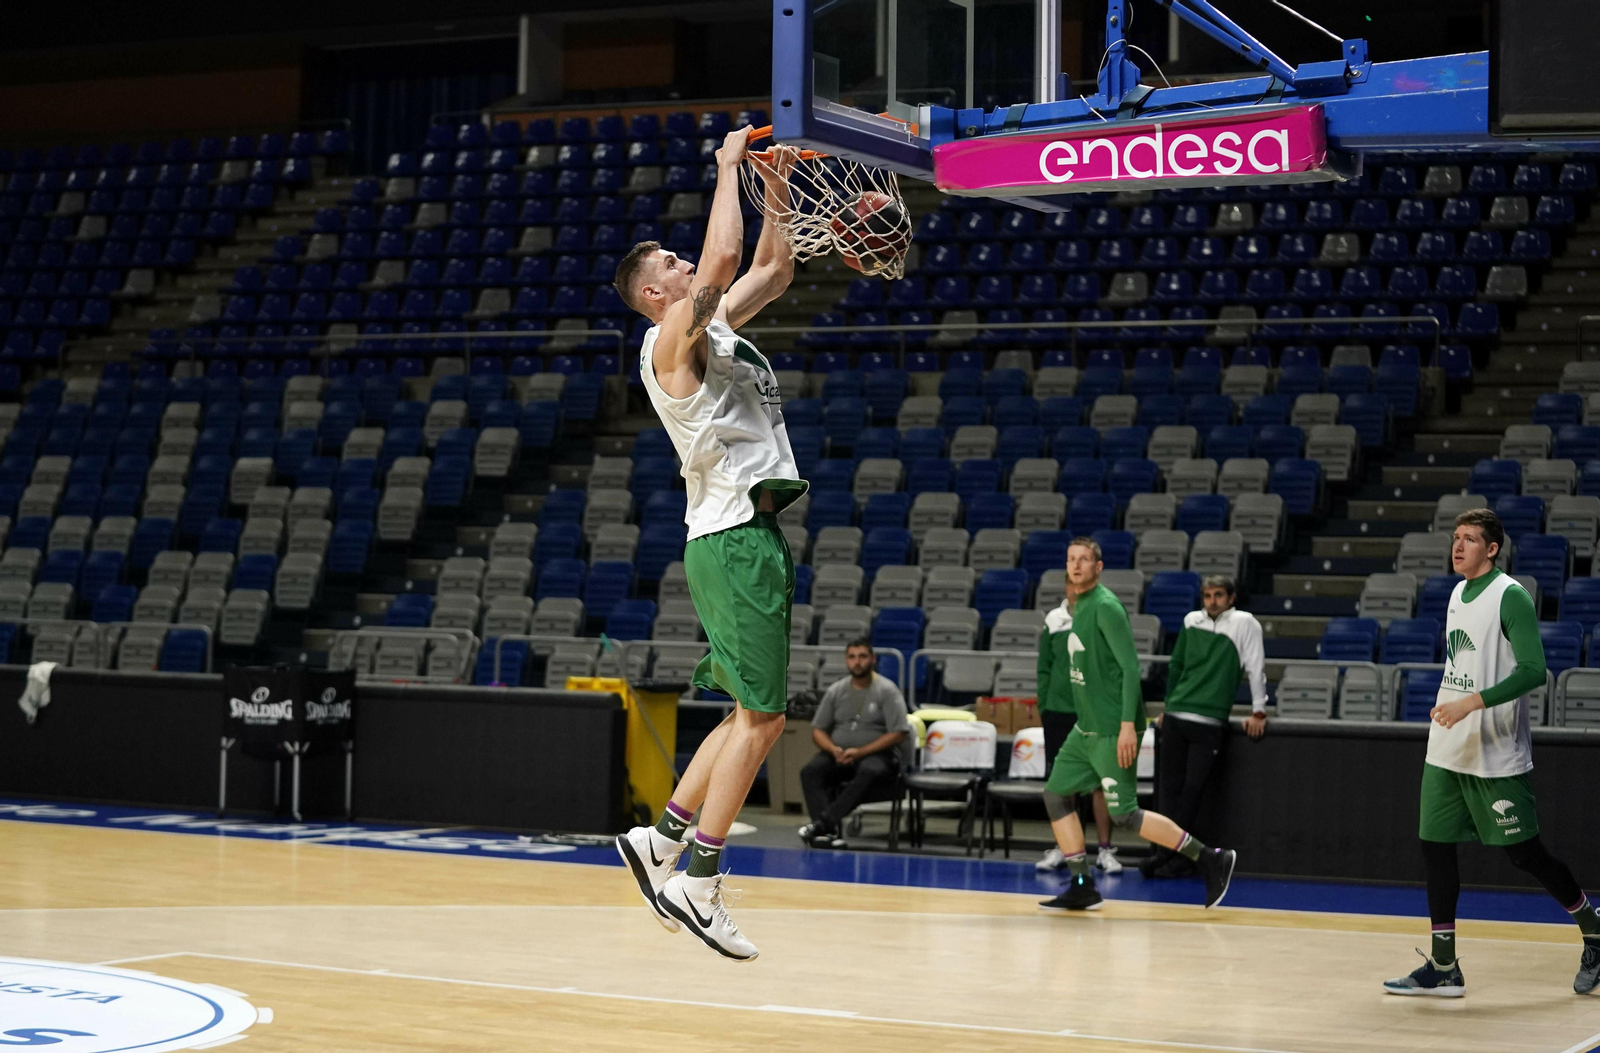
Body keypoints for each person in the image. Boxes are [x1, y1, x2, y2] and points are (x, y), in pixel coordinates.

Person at [611, 128, 807, 962]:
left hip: (733, 535)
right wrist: (728, 167)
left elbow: (773, 266)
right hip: (732, 537)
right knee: (765, 719)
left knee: (745, 711)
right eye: (675, 272)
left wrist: (777, 183)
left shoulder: (711, 326)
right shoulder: (669, 341)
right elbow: (723, 257)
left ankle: (664, 840)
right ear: (656, 297)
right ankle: (698, 877)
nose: (689, 272)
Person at [1384, 509, 1600, 997]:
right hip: (1447, 748)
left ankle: (1594, 928)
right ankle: (1443, 968)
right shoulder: (1457, 593)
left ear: (1493, 548)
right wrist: (1450, 706)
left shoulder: (1512, 596)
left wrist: (1471, 703)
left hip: (1495, 749)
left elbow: (1533, 671)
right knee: (1435, 846)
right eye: (1455, 538)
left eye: (1470, 540)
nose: (1458, 547)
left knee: (1523, 854)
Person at [1037, 537, 1237, 913]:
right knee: (1055, 794)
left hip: (1114, 728)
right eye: (1071, 559)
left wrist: (1129, 726)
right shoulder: (1078, 607)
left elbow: (1131, 668)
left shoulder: (1107, 606)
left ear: (1098, 567)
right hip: (1086, 730)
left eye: (1084, 560)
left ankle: (1211, 858)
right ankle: (1082, 883)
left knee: (1123, 814)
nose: (1076, 565)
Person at [1143, 574, 1268, 879]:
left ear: (1231, 598)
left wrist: (1259, 710)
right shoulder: (1190, 621)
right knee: (1169, 793)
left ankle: (1175, 857)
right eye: (1208, 596)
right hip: (1177, 716)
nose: (1212, 601)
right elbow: (1176, 665)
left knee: (1192, 794)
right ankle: (1167, 856)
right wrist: (1168, 705)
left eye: (1219, 595)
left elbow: (1256, 666)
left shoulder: (1245, 623)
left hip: (1210, 720)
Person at [1036, 574, 1121, 875]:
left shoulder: (1101, 616)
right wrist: (1045, 705)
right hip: (1058, 712)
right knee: (1062, 786)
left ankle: (1105, 850)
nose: (1075, 591)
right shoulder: (1053, 619)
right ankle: (1066, 848)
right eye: (1071, 585)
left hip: (1093, 713)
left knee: (1100, 784)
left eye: (1081, 586)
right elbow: (1044, 667)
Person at [797, 638, 911, 848]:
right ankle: (826, 833)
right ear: (846, 661)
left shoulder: (887, 690)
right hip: (840, 754)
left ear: (872, 659)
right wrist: (833, 749)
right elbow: (818, 730)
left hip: (878, 756)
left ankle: (823, 824)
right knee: (811, 771)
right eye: (852, 657)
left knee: (869, 770)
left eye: (862, 656)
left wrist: (860, 752)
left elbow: (898, 733)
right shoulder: (836, 690)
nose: (857, 662)